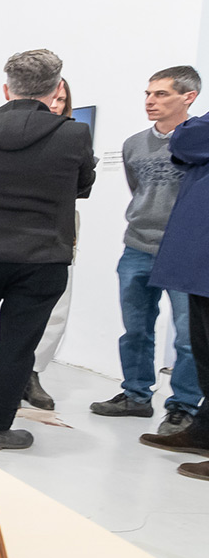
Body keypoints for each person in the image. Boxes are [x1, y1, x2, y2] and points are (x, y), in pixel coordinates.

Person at [0, 49, 96, 451]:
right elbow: (83, 186)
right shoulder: (74, 134)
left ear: (6, 89)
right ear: (56, 88)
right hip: (40, 256)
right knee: (18, 343)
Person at [91, 66, 202, 433]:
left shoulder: (199, 142)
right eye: (148, 94)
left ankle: (183, 406)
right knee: (135, 328)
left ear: (188, 97)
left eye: (161, 94)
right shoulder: (134, 144)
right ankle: (136, 395)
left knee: (188, 337)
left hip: (184, 251)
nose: (150, 101)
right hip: (137, 246)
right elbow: (137, 188)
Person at [142, 104, 209, 480]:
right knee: (203, 351)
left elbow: (186, 137)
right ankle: (203, 432)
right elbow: (183, 144)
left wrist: (189, 134)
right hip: (200, 260)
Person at [24, 78, 75, 409]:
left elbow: (83, 182)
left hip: (60, 226)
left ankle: (33, 373)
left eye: (62, 99)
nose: (55, 104)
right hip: (18, 227)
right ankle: (13, 372)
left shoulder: (73, 135)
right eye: (52, 98)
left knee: (56, 308)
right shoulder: (16, 133)